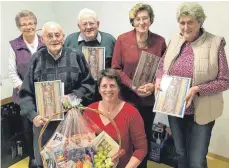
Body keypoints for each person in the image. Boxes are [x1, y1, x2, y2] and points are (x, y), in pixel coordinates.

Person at [155, 2, 229, 168]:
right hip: (175, 110)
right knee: (180, 154)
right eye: (182, 22)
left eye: (191, 22)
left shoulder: (215, 43)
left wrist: (197, 89)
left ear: (200, 22)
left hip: (202, 110)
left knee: (196, 160)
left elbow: (225, 80)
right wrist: (159, 78)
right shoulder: (175, 39)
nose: (185, 27)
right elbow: (162, 65)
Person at [19, 21, 95, 168]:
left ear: (63, 37)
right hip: (44, 124)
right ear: (42, 39)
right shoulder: (36, 59)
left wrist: (72, 97)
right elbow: (25, 93)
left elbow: (89, 85)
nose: (54, 39)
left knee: (74, 161)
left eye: (57, 35)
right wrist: (33, 115)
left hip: (71, 120)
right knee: (46, 162)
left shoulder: (76, 56)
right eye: (49, 35)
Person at [111, 3, 166, 167]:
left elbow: (164, 68)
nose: (142, 22)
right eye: (138, 19)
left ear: (150, 20)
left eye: (145, 19)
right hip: (126, 99)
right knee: (124, 137)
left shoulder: (160, 41)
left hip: (148, 100)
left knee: (143, 137)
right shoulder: (122, 39)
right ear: (133, 21)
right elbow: (115, 68)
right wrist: (132, 85)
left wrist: (152, 84)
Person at [83, 69, 147, 168]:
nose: (108, 89)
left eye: (112, 85)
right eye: (104, 86)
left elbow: (141, 149)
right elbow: (82, 141)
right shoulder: (89, 111)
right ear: (99, 89)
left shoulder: (132, 113)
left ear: (118, 88)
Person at [8, 10, 45, 168]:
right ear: (19, 27)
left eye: (30, 23)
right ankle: (33, 158)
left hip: (45, 93)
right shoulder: (14, 45)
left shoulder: (45, 41)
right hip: (24, 96)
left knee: (45, 126)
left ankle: (46, 156)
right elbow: (12, 72)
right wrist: (26, 88)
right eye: (23, 24)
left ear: (35, 24)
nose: (28, 27)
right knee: (28, 129)